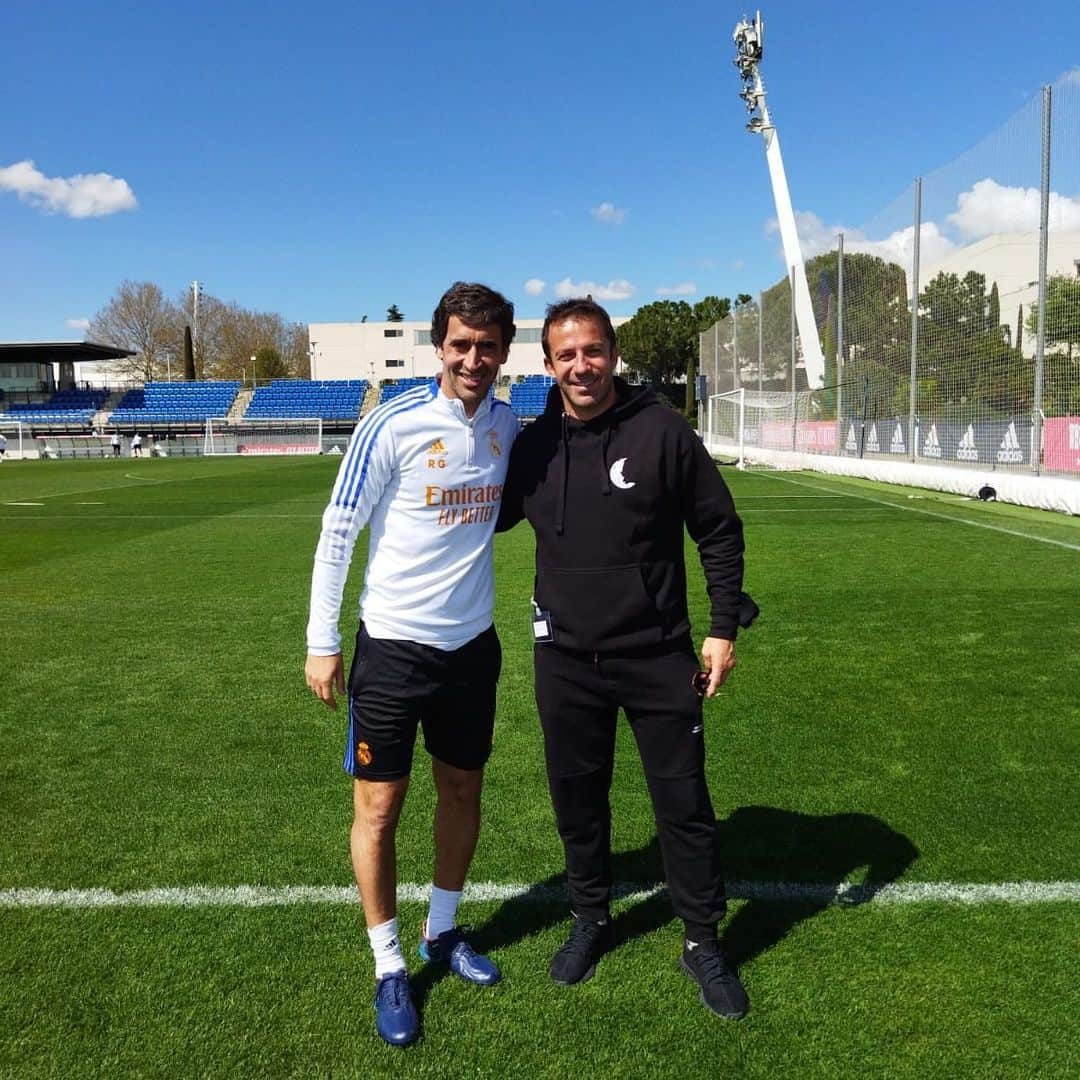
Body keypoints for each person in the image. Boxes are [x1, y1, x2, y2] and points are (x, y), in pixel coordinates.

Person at [497, 298, 751, 1020]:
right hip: (565, 660)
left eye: (593, 350)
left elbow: (719, 531)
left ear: (612, 353)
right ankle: (591, 917)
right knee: (578, 799)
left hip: (658, 655)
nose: (581, 365)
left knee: (684, 804)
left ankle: (702, 941)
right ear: (548, 365)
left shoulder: (663, 431)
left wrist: (723, 627)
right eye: (566, 355)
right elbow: (476, 509)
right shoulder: (534, 447)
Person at [305, 282, 519, 1048]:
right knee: (380, 808)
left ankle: (445, 931)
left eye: (487, 346)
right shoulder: (390, 422)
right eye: (460, 344)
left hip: (473, 649)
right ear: (440, 347)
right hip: (392, 650)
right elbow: (339, 530)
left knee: (462, 787)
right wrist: (320, 640)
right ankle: (390, 964)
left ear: (503, 352)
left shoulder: (508, 425)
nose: (473, 358)